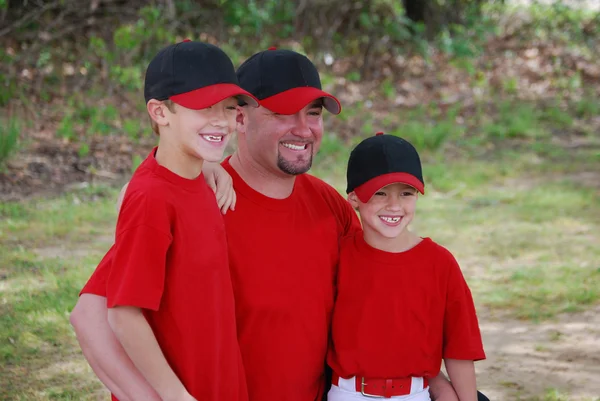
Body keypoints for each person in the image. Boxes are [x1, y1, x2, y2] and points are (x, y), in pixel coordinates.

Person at [70, 48, 482, 401]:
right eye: (283, 113)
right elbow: (93, 317)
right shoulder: (200, 198)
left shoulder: (330, 207)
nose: (303, 129)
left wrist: (435, 382)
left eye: (313, 113)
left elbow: (380, 302)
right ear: (241, 119)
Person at [76, 39, 259, 401]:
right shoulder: (151, 198)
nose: (221, 121)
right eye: (204, 107)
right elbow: (123, 315)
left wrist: (210, 166)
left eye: (228, 107)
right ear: (160, 112)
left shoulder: (198, 180)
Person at [326, 133, 486, 401]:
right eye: (379, 193)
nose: (394, 205)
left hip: (415, 394)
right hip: (348, 393)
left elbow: (459, 350)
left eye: (406, 193)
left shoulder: (439, 262)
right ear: (354, 198)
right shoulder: (338, 256)